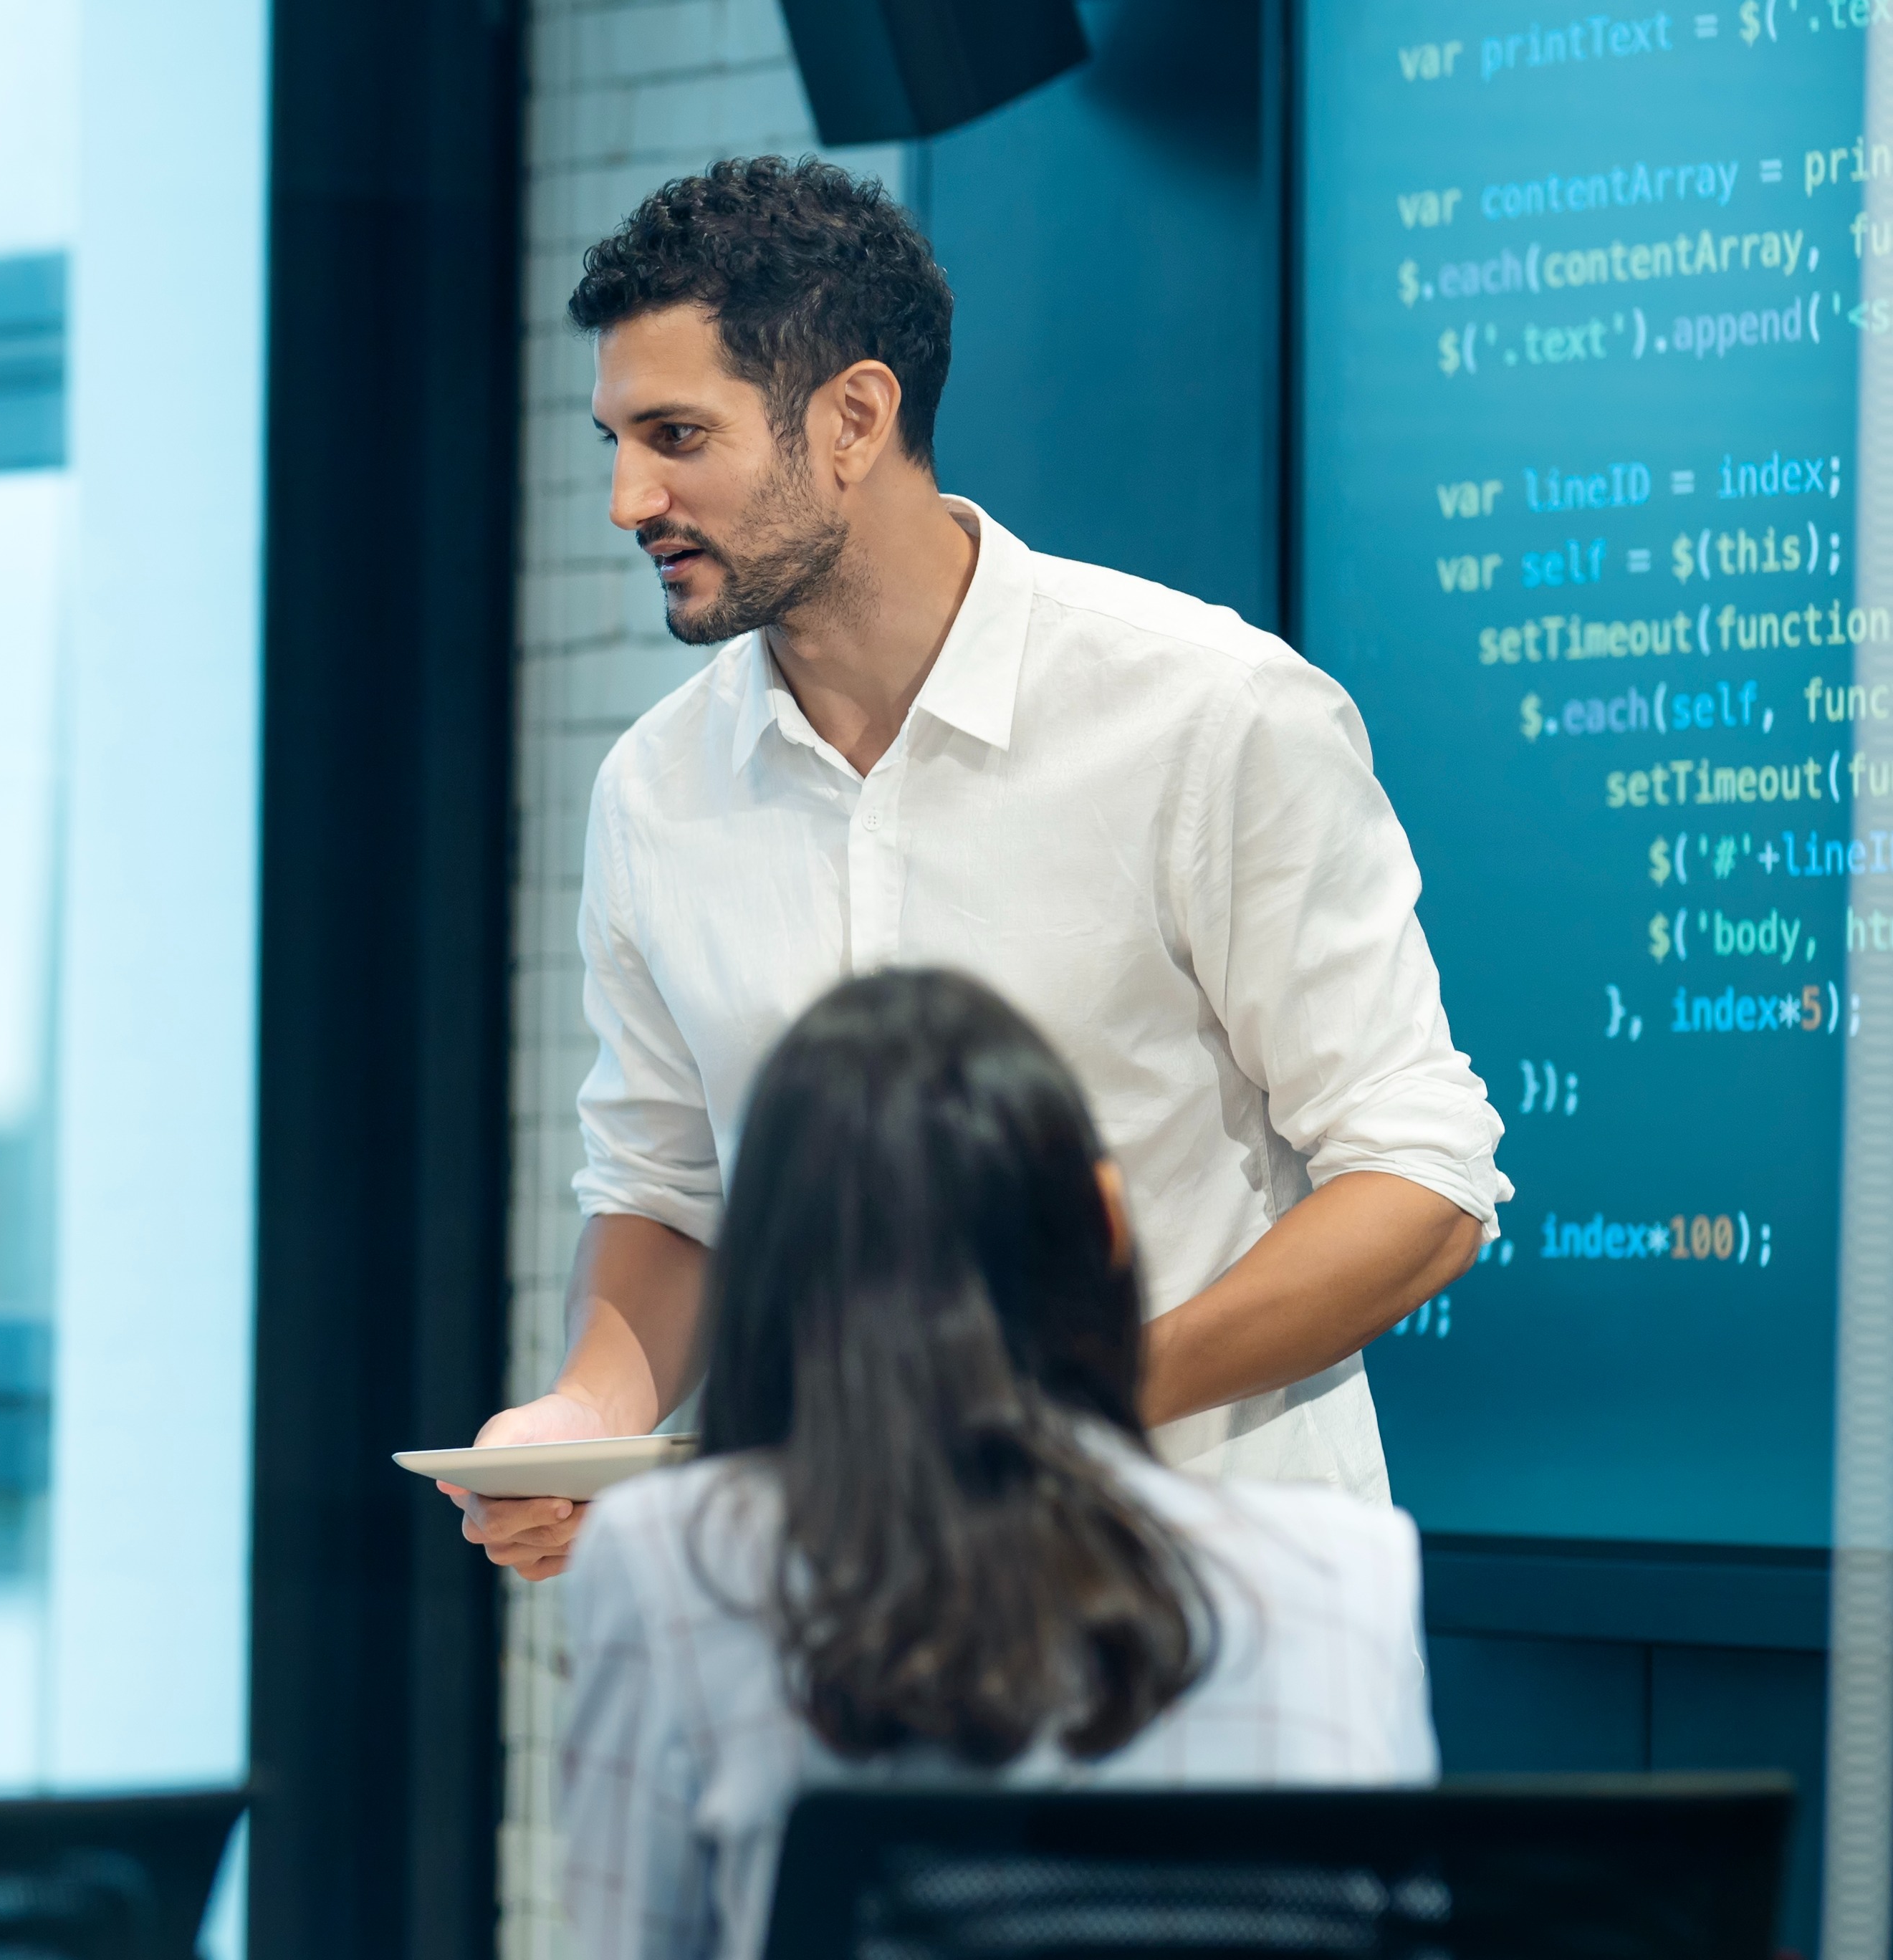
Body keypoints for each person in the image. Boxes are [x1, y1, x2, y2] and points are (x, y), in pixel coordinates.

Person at [459, 158, 1505, 1575]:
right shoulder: (654, 788)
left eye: (678, 435)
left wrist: (1072, 1405)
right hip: (833, 1622)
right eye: (615, 441)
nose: (627, 497)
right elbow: (667, 1190)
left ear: (854, 418)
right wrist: (581, 1415)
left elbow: (1421, 1179)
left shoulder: (1212, 715)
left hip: (1207, 1608)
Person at [557, 969, 1436, 1960]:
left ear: (767, 1274)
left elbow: (632, 1938)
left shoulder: (675, 1566)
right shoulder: (1349, 1575)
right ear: (1106, 1222)